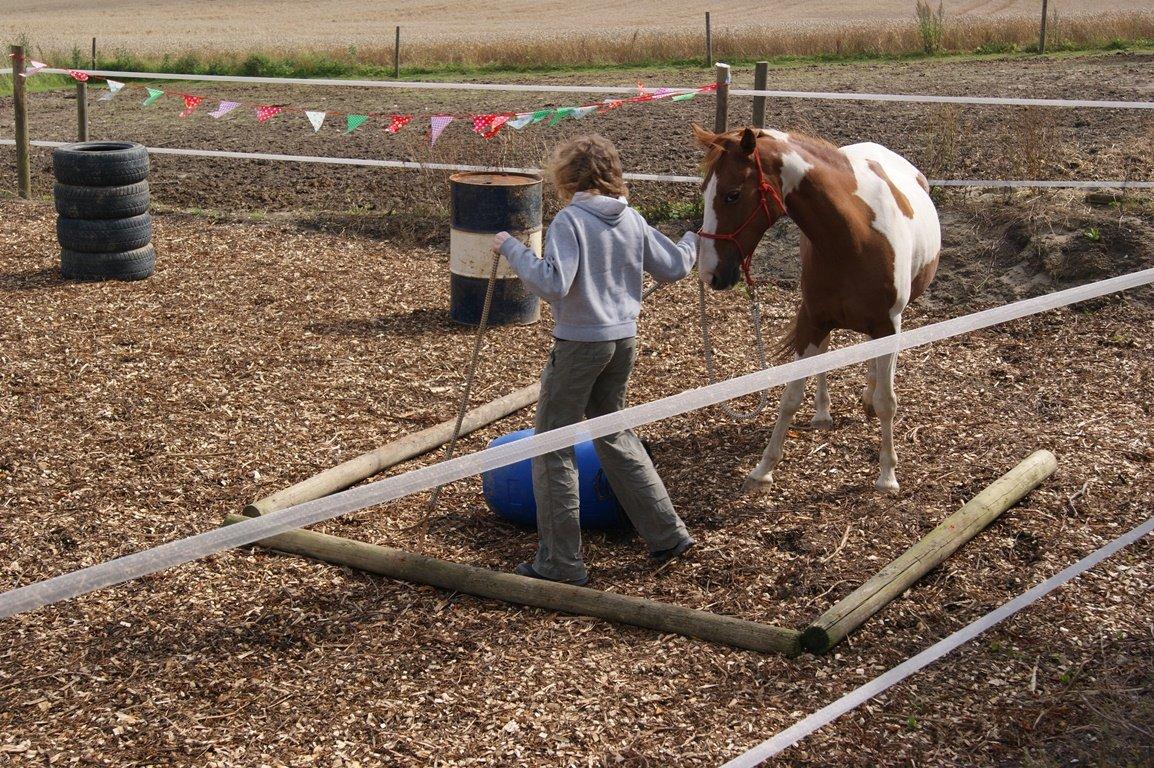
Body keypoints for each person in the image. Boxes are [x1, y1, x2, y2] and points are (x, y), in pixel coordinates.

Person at [491, 133, 699, 586]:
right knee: (613, 431)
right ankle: (667, 533)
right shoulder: (632, 220)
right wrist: (692, 240)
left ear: (567, 177)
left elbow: (552, 284)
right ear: (612, 174)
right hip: (623, 341)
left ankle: (560, 563)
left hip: (581, 345)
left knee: (552, 447)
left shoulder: (570, 221)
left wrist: (511, 248)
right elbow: (676, 267)